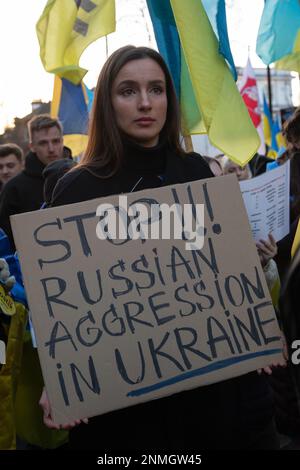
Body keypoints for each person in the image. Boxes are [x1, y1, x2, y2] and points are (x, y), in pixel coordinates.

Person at [39, 45, 281, 450]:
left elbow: (218, 276)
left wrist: (255, 312)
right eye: (128, 91)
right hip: (128, 414)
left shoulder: (197, 173)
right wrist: (60, 376)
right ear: (106, 104)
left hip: (211, 398)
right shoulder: (76, 190)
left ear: (170, 97)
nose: (146, 102)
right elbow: (64, 304)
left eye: (156, 89)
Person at [0, 115, 72, 249]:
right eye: (43, 143)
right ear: (32, 146)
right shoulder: (14, 189)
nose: (51, 149)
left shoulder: (81, 176)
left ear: (63, 141)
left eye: (55, 141)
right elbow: (8, 242)